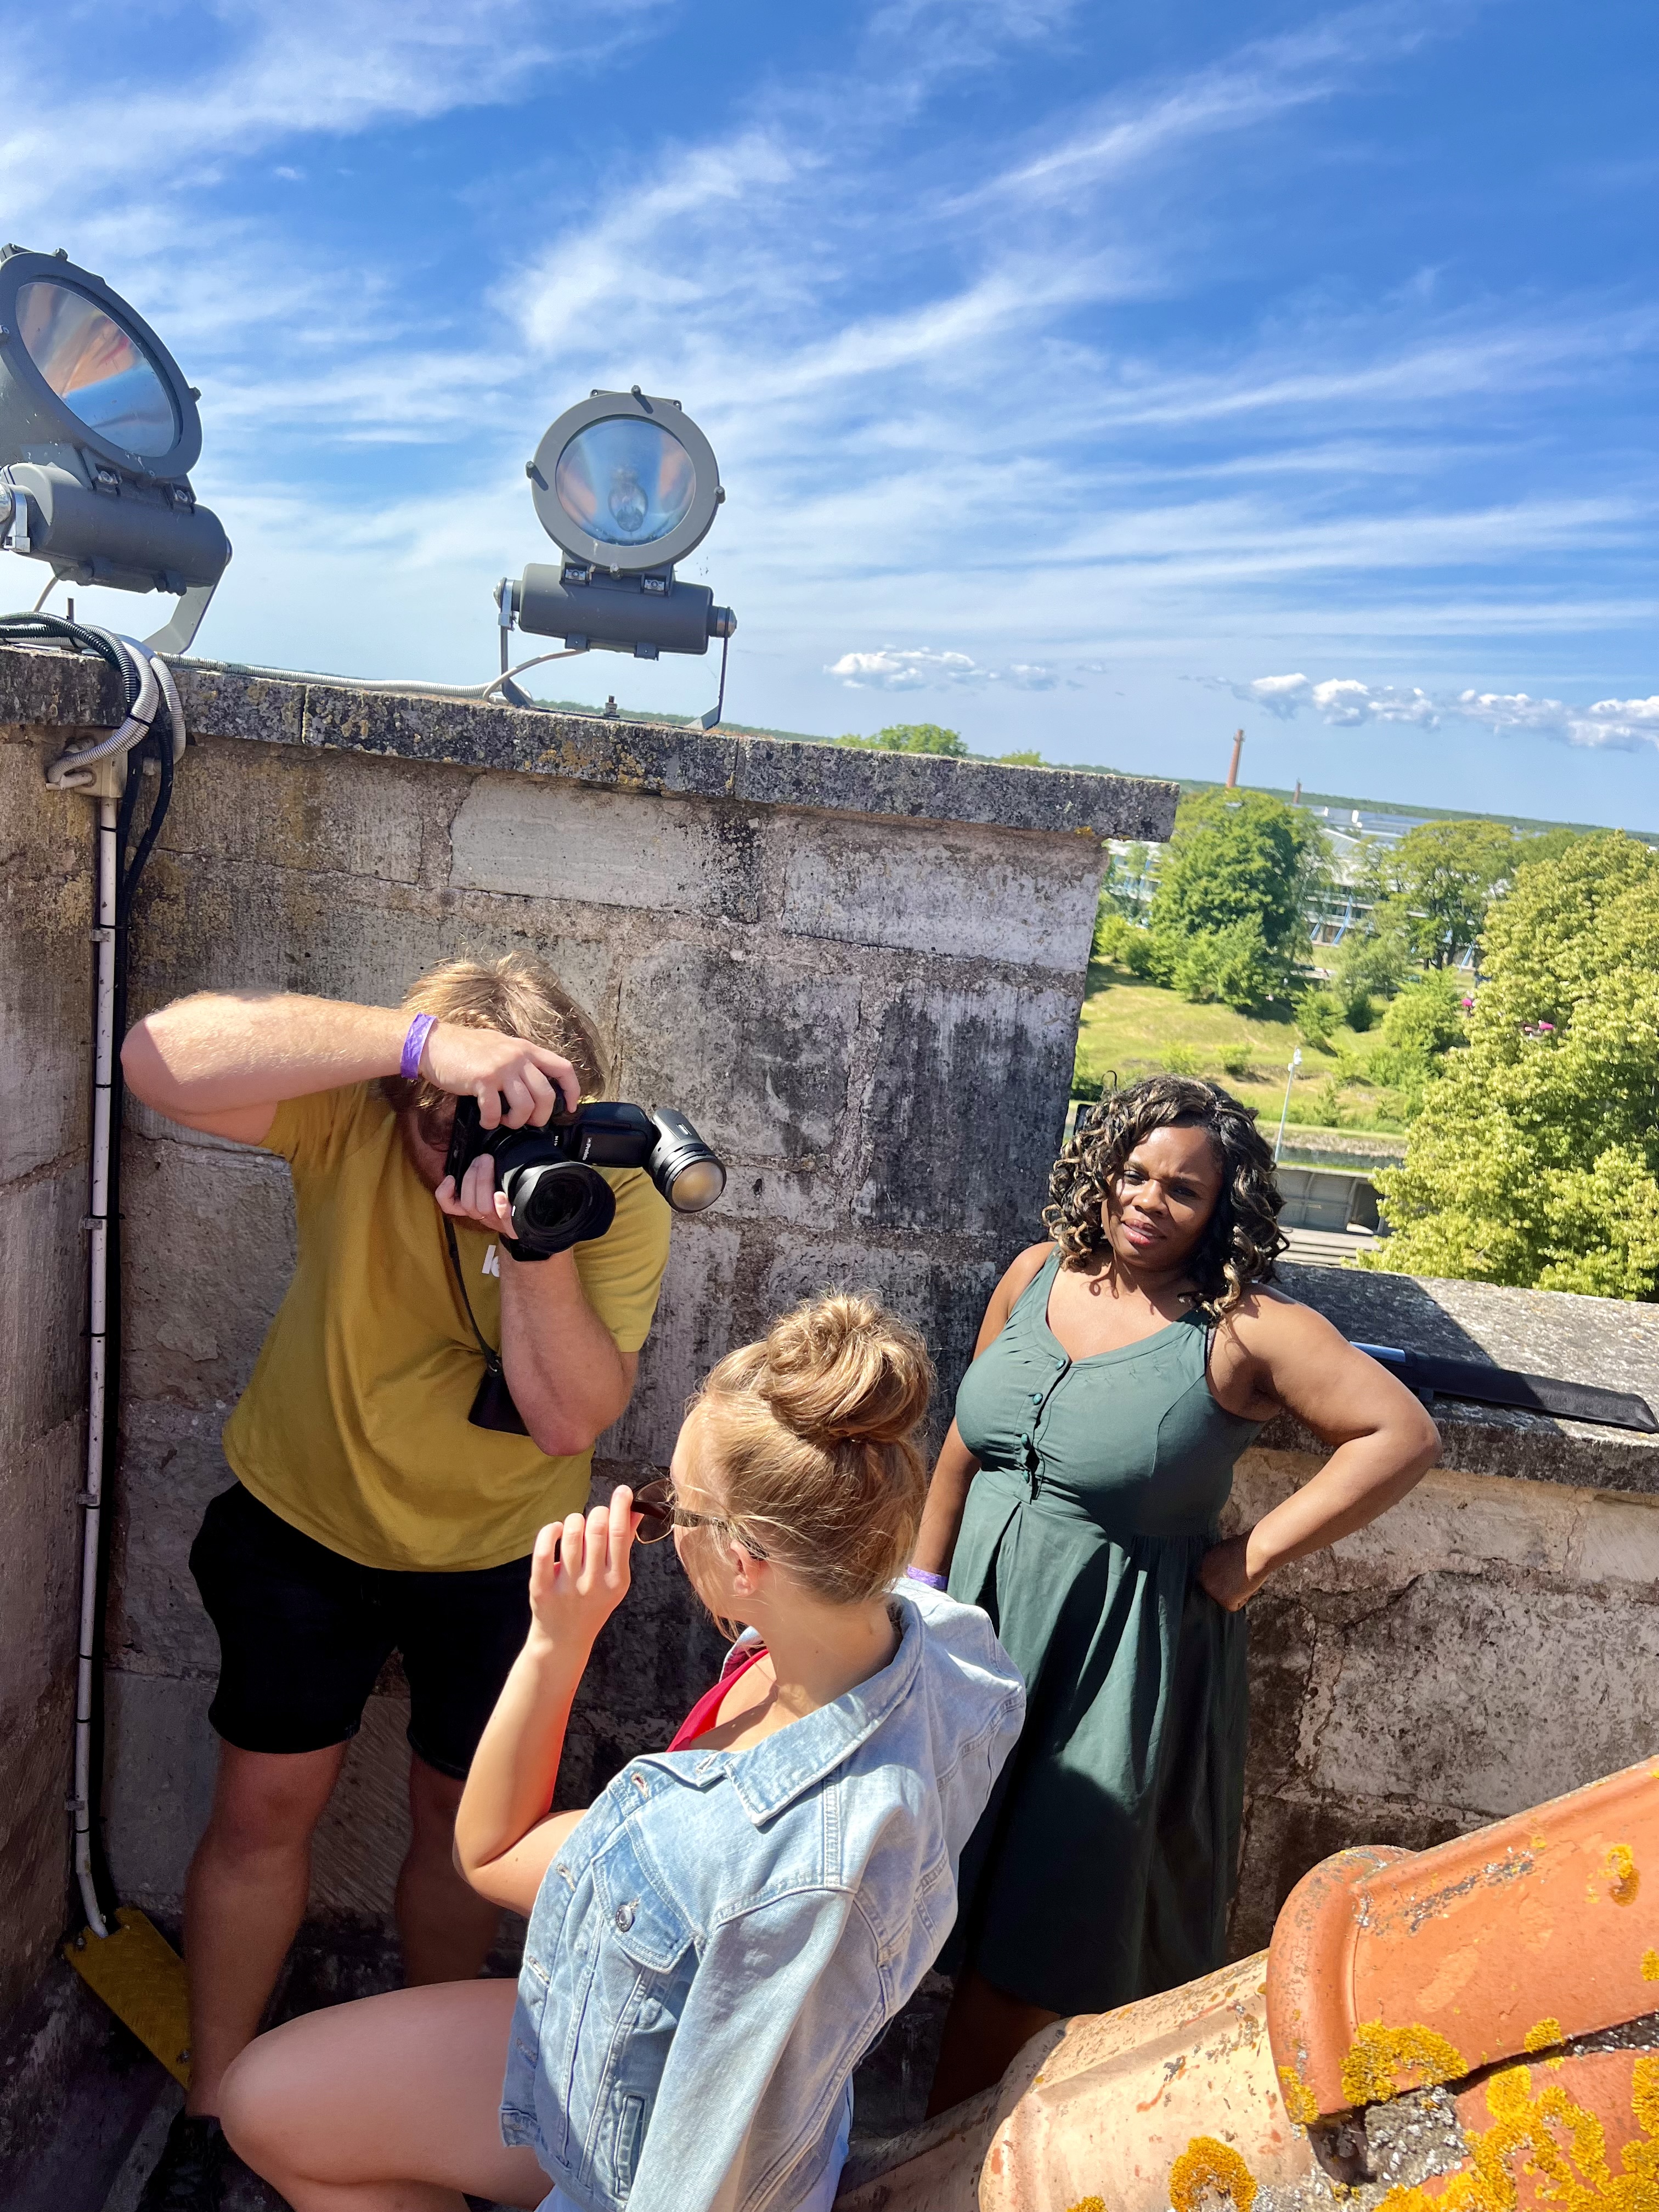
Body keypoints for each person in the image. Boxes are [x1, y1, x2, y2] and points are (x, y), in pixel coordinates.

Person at [216, 1294, 1026, 2212]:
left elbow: (485, 1852)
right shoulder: (955, 1652)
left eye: (672, 1508)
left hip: (648, 2159)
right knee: (271, 2096)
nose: (659, 1523)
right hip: (763, 2102)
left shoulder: (716, 1848)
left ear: (746, 1565)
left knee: (263, 2105)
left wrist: (556, 1641)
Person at [119, 955, 674, 2212]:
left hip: (494, 1563)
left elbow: (564, 1419)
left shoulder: (609, 1193)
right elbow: (153, 1057)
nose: (451, 1159)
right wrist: (421, 1049)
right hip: (302, 1525)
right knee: (263, 1812)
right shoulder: (360, 1108)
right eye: (442, 1132)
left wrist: (535, 1240)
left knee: (461, 1832)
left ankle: (424, 2098)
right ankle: (212, 2114)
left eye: (493, 1133)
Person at [914, 1074, 1442, 2113]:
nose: (1147, 1201)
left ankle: (945, 2162)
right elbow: (962, 1452)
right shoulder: (1034, 1276)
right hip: (969, 1633)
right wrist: (918, 1592)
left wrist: (1251, 1560)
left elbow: (1401, 1434)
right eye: (1134, 1173)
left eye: (1183, 1191)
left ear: (1222, 1210)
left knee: (1043, 1920)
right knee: (917, 1885)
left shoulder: (1242, 1327)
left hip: (1114, 1662)